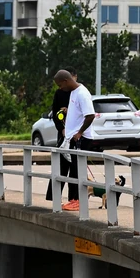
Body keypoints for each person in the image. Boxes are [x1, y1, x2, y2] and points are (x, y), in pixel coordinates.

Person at [53, 69, 96, 212]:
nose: (60, 88)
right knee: (73, 171)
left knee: (78, 170)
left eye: (60, 85)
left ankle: (78, 201)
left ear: (66, 81)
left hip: (81, 139)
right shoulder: (73, 93)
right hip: (72, 138)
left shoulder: (83, 93)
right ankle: (73, 200)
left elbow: (90, 116)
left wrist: (80, 132)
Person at [46, 66, 77, 202]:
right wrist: (62, 130)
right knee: (60, 166)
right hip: (64, 134)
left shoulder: (79, 92)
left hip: (76, 135)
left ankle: (74, 199)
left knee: (75, 168)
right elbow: (55, 113)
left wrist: (69, 111)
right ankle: (53, 197)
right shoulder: (59, 94)